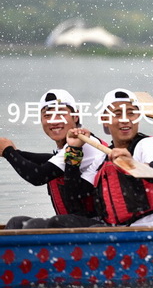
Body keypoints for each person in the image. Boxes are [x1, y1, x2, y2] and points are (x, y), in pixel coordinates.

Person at [0, 89, 106, 229]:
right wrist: (16, 152)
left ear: (76, 116)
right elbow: (48, 160)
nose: (54, 121)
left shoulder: (84, 142)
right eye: (48, 115)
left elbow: (37, 176)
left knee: (49, 223)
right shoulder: (66, 147)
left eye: (61, 113)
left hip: (100, 225)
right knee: (16, 223)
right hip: (77, 223)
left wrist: (9, 152)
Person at [85, 88, 153, 227]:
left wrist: (129, 164)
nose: (125, 120)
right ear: (105, 120)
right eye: (118, 114)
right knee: (62, 222)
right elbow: (79, 195)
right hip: (120, 231)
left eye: (131, 114)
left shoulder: (147, 144)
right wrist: (73, 151)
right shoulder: (102, 158)